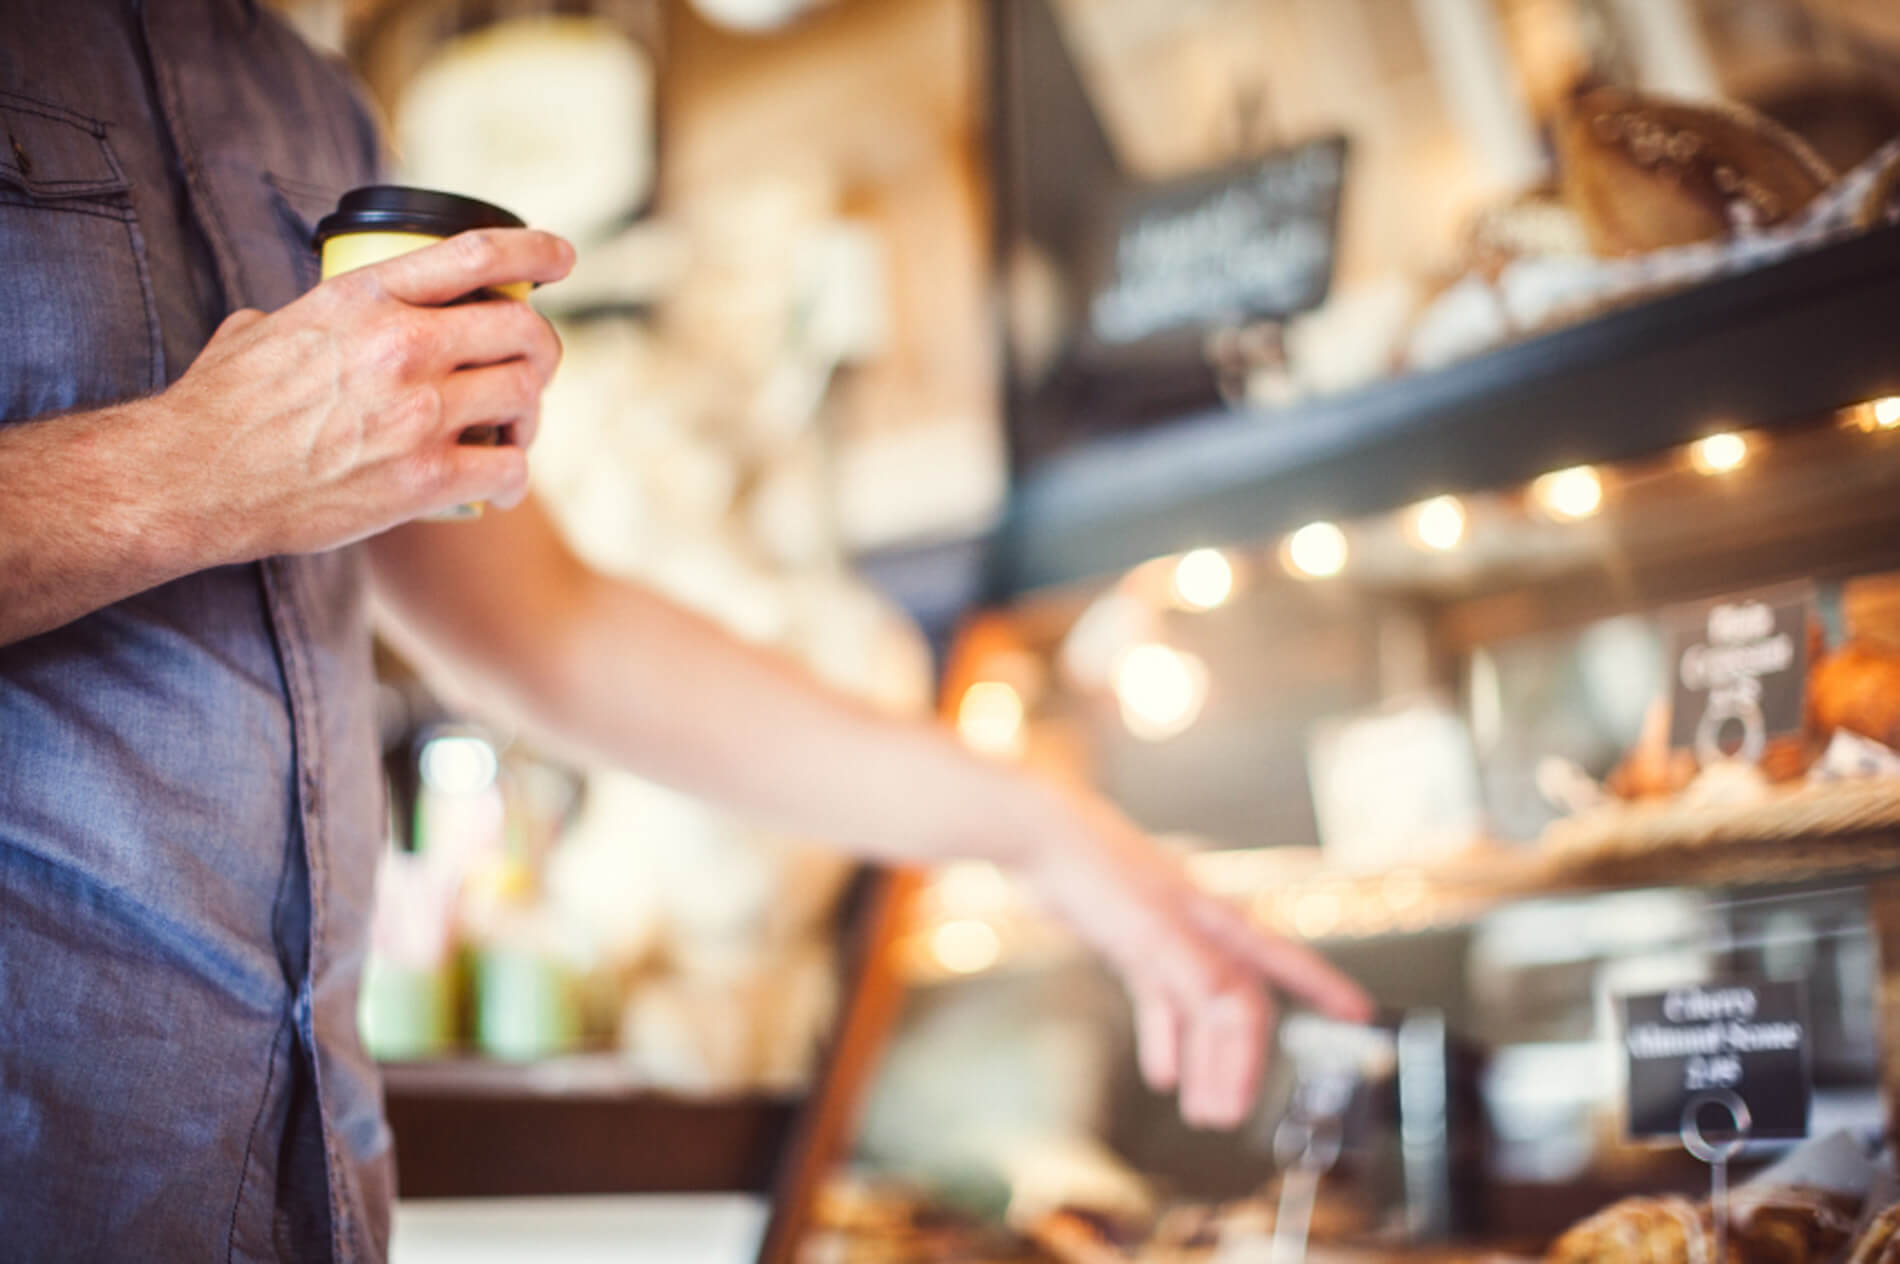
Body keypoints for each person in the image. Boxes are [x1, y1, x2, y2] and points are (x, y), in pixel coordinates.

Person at [0, 3, 1371, 1259]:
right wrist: (184, 468)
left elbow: (553, 626)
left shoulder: (309, 104)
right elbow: (244, 467)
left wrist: (1048, 829)